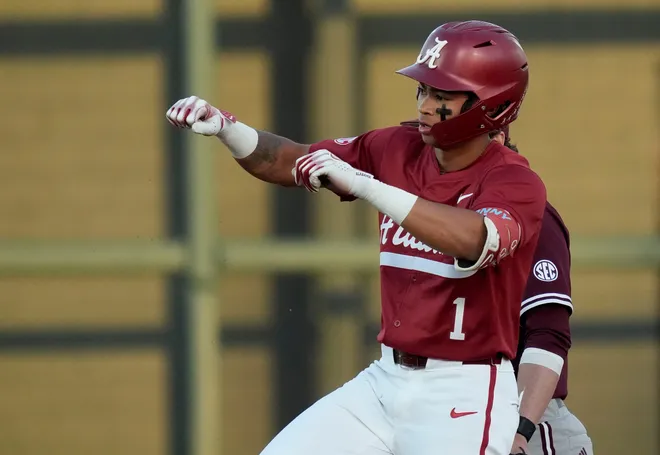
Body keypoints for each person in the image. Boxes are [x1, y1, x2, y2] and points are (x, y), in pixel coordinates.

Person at [167, 20, 547, 455]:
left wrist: (367, 185)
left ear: (491, 104)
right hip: (386, 380)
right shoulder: (396, 146)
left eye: (442, 95)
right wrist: (227, 129)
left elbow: (472, 238)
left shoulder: (516, 181)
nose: (425, 104)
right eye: (423, 89)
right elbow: (291, 160)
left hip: (463, 393)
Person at [490, 131, 595, 455]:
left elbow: (548, 333)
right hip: (464, 415)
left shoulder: (532, 216)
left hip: (530, 426)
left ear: (494, 139)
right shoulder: (450, 220)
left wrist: (520, 429)